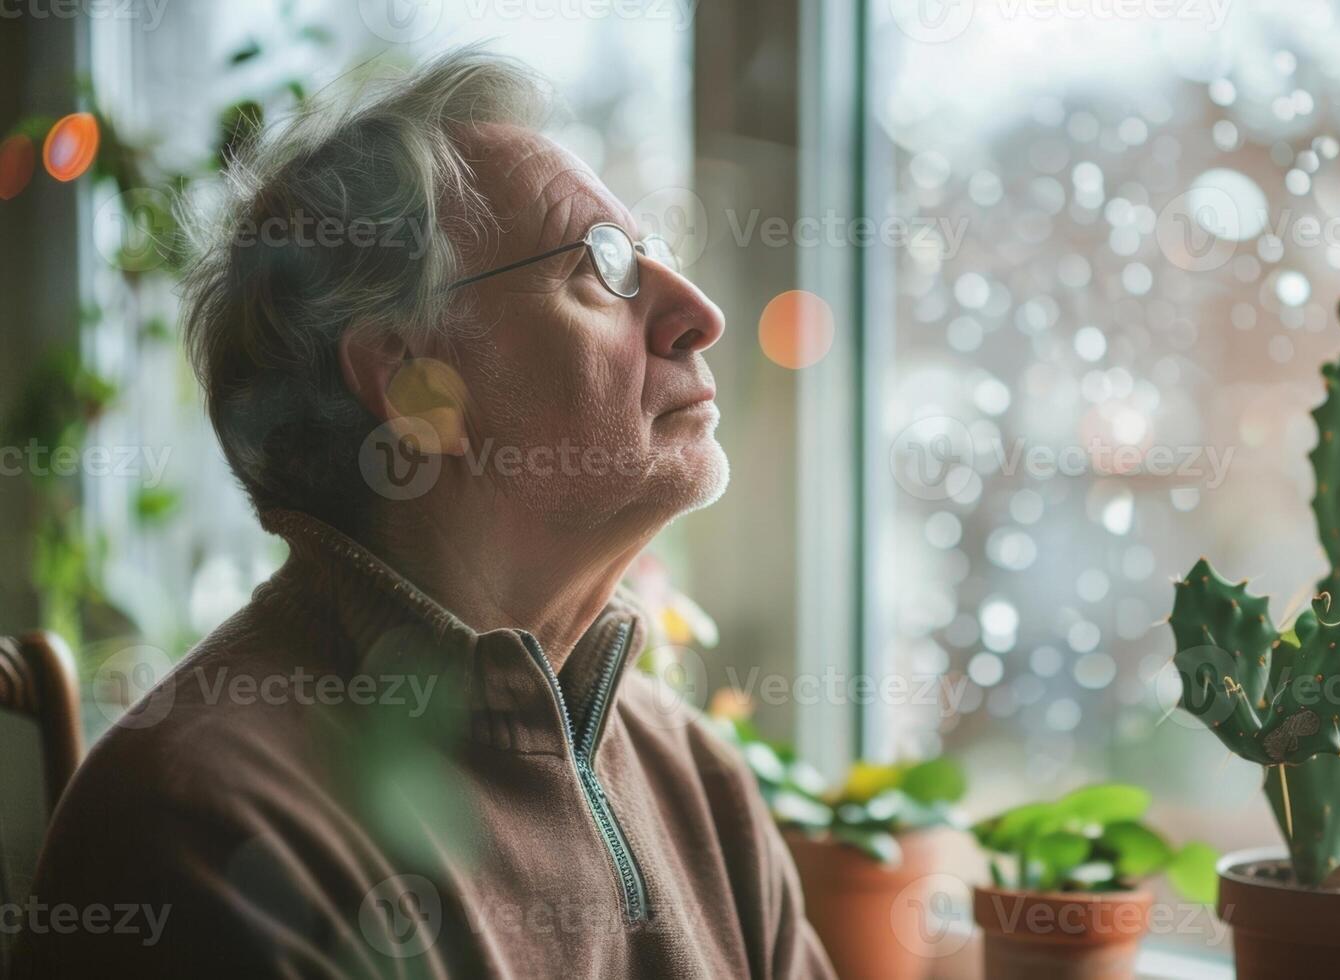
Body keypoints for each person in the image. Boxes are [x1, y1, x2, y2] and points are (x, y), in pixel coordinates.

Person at [15, 47, 834, 979]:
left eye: (653, 254)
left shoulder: (701, 783)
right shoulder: (204, 821)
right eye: (603, 264)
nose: (698, 312)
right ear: (414, 384)